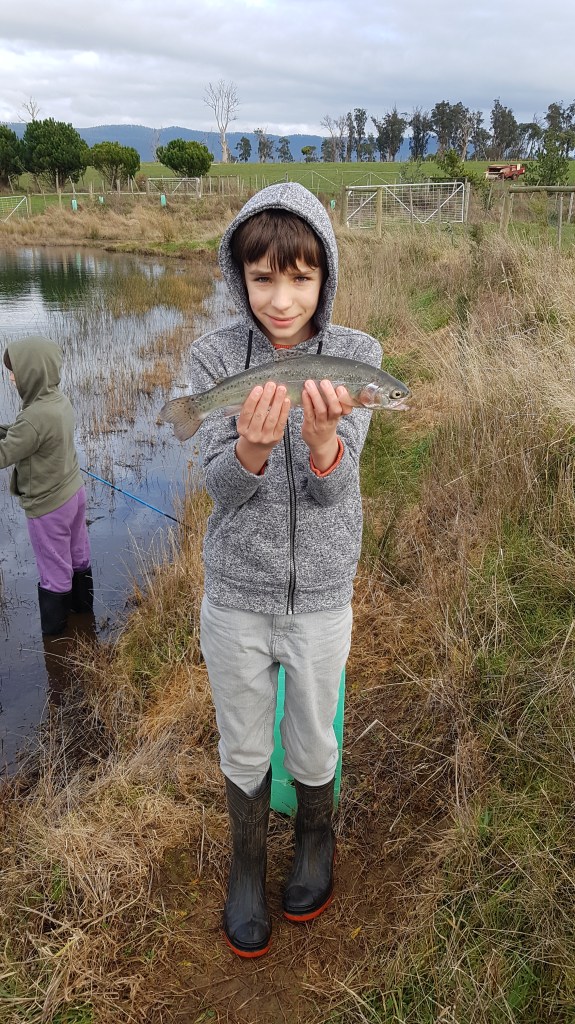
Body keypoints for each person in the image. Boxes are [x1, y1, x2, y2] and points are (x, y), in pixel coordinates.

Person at [184, 183, 382, 958]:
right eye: (262, 277)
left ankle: (313, 844)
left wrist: (325, 442)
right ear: (239, 276)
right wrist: (251, 448)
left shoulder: (356, 358)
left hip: (322, 599)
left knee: (312, 739)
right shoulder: (213, 358)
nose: (280, 298)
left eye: (299, 277)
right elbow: (221, 490)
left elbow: (334, 492)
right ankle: (245, 870)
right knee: (241, 744)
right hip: (235, 596)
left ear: (324, 274)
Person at [0, 335, 93, 636]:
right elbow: (23, 432)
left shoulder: (33, 418)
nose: (11, 377)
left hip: (48, 507)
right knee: (78, 555)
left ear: (33, 372)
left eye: (15, 371)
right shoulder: (58, 401)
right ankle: (84, 614)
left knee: (54, 571)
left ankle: (57, 642)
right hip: (74, 494)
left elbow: (7, 451)